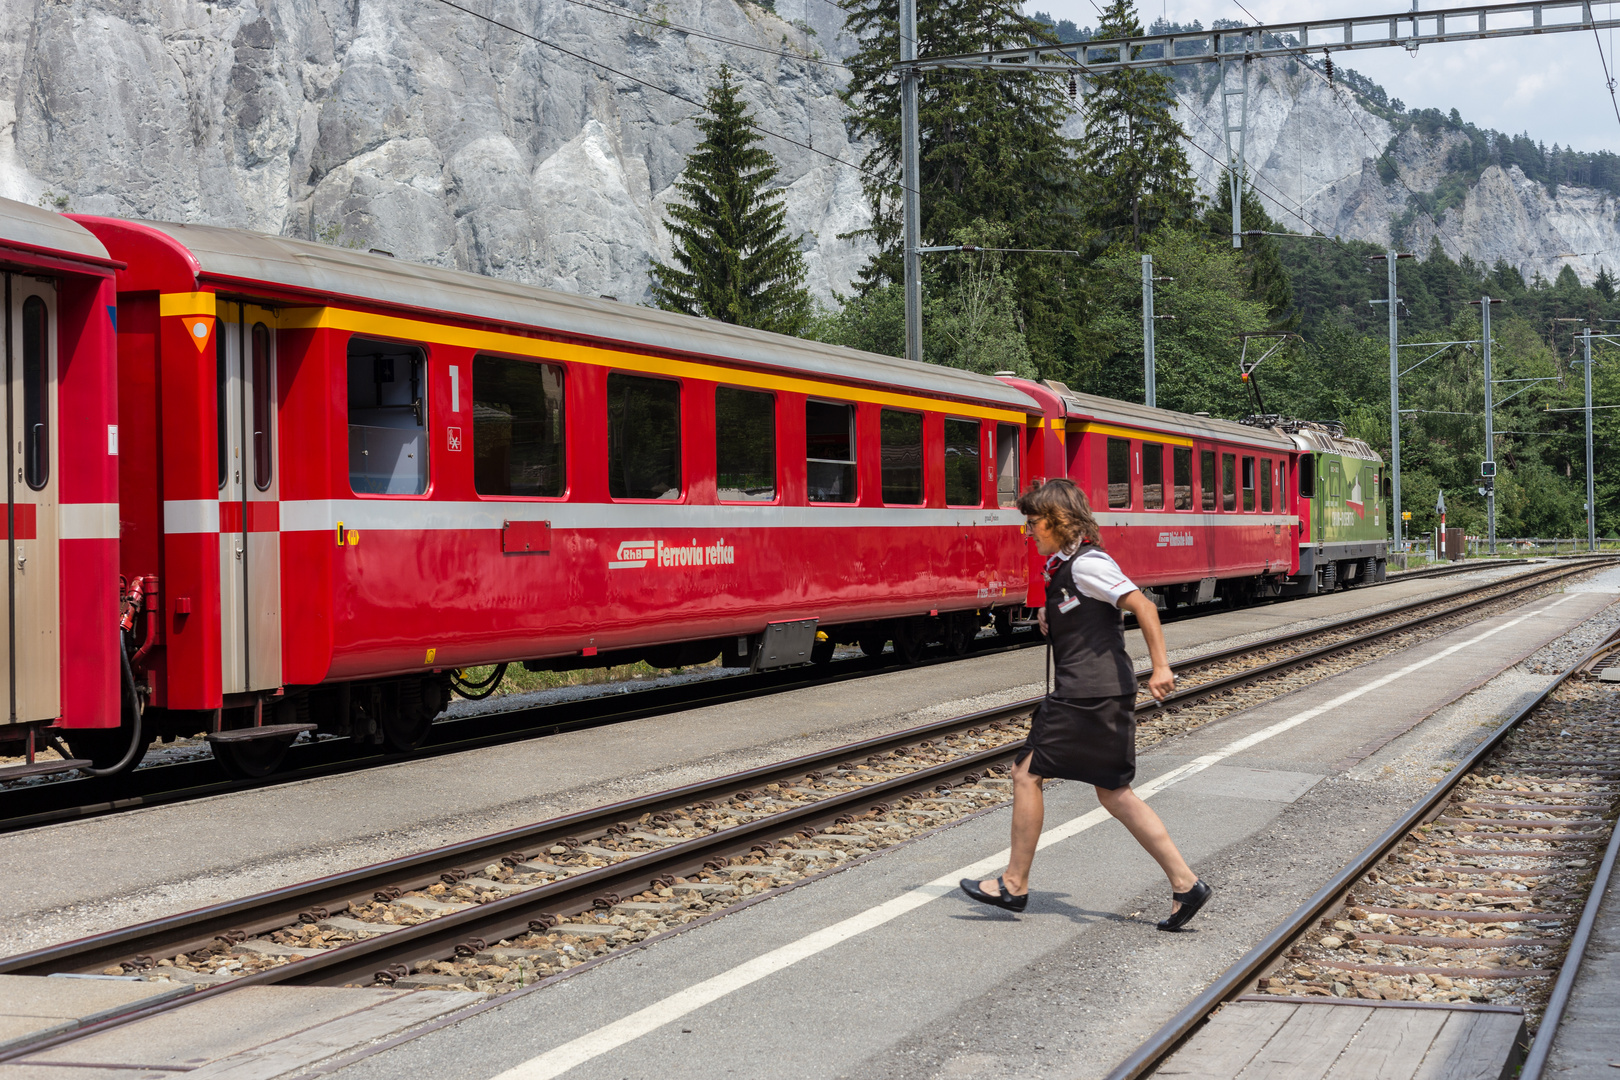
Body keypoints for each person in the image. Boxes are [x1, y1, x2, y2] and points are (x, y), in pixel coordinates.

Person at [960, 478, 1211, 931]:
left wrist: (1161, 667)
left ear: (1057, 521)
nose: (1028, 532)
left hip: (1087, 695)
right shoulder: (1068, 566)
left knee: (1026, 772)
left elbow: (1145, 607)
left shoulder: (1089, 564)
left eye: (1033, 523)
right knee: (1114, 793)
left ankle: (1014, 884)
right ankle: (1185, 884)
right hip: (1101, 693)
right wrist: (1051, 615)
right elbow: (1091, 613)